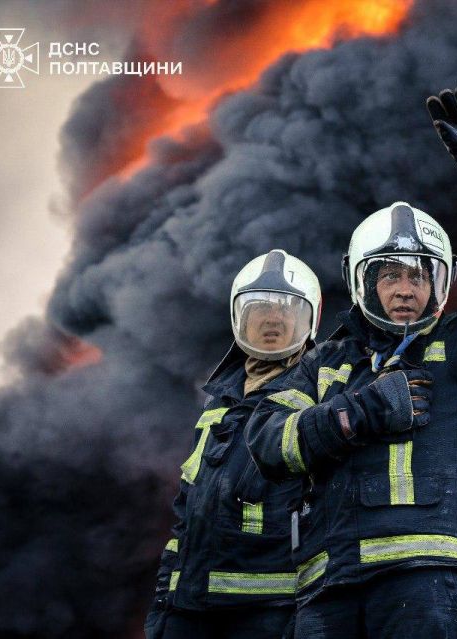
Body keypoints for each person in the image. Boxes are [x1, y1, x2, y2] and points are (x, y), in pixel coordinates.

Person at [245, 86, 457, 638]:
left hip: (427, 575)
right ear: (362, 281)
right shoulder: (324, 365)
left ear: (438, 282)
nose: (404, 289)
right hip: (329, 584)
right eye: (390, 274)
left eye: (418, 275)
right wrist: (356, 412)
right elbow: (267, 443)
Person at [145, 250, 322, 639]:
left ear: (309, 322)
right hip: (188, 610)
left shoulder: (319, 397)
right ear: (239, 317)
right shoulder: (217, 405)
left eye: (287, 309)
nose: (273, 319)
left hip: (266, 612)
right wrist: (165, 600)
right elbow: (186, 513)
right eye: (259, 307)